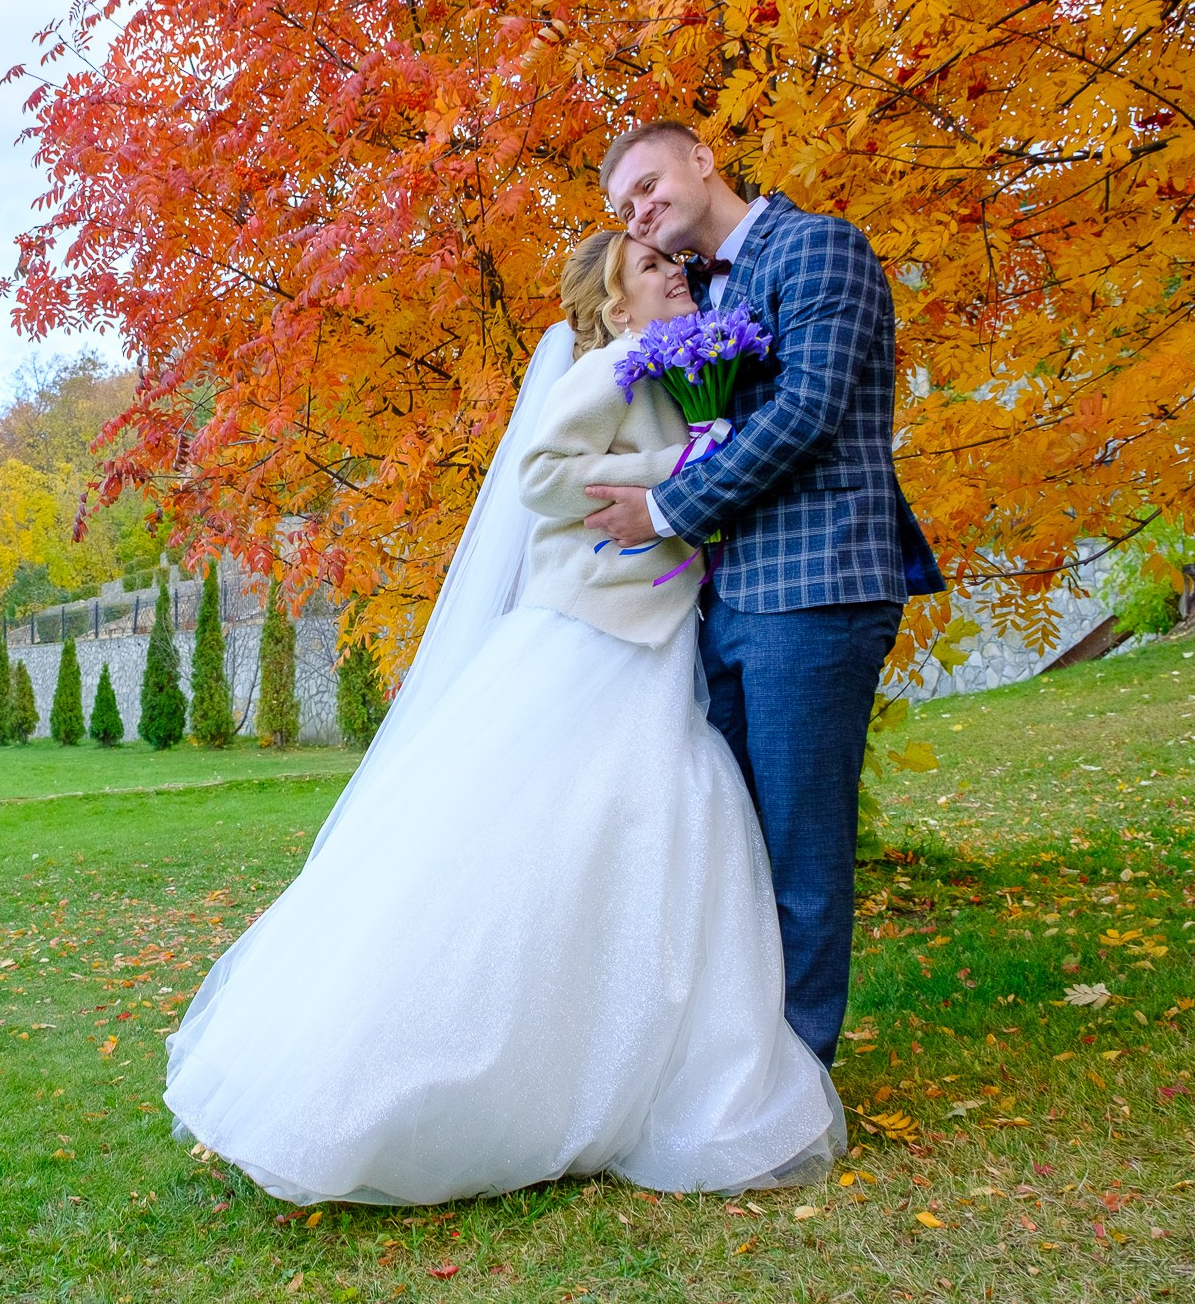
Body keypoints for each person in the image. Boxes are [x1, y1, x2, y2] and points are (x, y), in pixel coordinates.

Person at [162, 229, 841, 1207]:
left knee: (652, 829)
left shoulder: (683, 372)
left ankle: (639, 1068)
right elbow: (538, 475)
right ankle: (400, 1084)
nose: (674, 278)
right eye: (653, 270)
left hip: (650, 645)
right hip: (588, 640)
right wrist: (673, 464)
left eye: (674, 266)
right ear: (614, 304)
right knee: (534, 845)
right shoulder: (611, 364)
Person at [585, 121, 945, 1066]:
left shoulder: (818, 244)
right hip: (730, 596)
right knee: (729, 845)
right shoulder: (698, 293)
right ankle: (730, 1063)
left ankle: (795, 1086)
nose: (642, 211)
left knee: (800, 851)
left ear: (704, 159)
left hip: (818, 584)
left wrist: (665, 506)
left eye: (650, 185)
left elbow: (808, 412)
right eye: (626, 207)